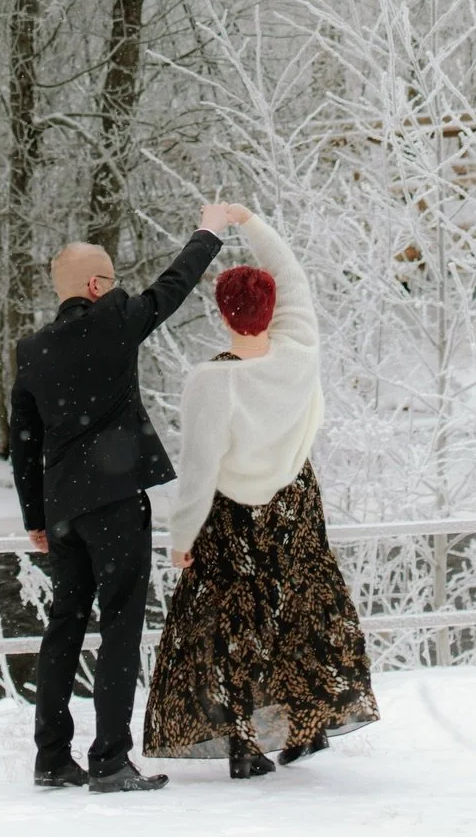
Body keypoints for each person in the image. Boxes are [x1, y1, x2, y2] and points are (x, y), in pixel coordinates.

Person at [143, 203, 378, 779]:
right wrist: (248, 221)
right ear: (272, 309)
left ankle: (245, 743)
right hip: (295, 500)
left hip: (232, 513)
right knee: (301, 607)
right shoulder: (299, 351)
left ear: (223, 314)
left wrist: (181, 537)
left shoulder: (213, 382)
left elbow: (200, 469)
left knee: (231, 622)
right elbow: (292, 274)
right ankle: (309, 725)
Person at [11, 204, 228, 794]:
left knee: (64, 627)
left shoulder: (31, 350)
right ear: (95, 285)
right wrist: (209, 231)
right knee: (121, 626)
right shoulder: (113, 321)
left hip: (63, 513)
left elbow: (22, 443)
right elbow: (172, 288)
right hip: (114, 503)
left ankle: (52, 759)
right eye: (110, 279)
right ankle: (109, 759)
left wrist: (37, 516)